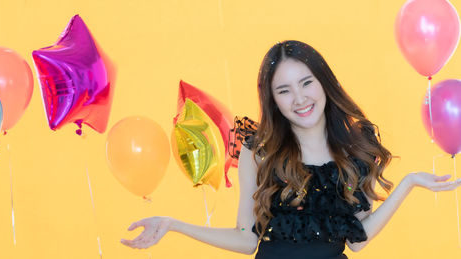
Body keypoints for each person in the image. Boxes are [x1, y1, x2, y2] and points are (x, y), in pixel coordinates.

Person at [120, 40, 461, 258]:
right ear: (273, 101)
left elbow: (357, 241)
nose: (299, 99)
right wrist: (174, 224)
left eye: (306, 83)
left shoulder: (357, 149)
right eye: (284, 90)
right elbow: (245, 238)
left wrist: (408, 184)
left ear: (323, 83)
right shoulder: (260, 153)